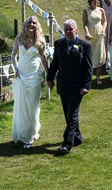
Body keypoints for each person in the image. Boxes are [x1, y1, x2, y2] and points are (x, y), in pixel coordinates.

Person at [46, 19, 92, 155]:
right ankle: (77, 137)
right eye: (66, 29)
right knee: (68, 114)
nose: (68, 32)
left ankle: (67, 144)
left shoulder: (84, 46)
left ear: (76, 30)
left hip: (77, 87)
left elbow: (88, 68)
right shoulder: (59, 44)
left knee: (72, 115)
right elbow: (55, 64)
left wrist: (86, 86)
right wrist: (50, 79)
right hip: (63, 85)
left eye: (71, 29)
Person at [11, 16, 49, 148]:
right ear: (25, 24)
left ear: (37, 25)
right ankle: (22, 133)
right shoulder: (19, 38)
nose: (31, 25)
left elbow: (43, 59)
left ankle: (30, 135)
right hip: (21, 76)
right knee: (21, 106)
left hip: (34, 77)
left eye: (34, 23)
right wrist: (15, 69)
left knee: (32, 107)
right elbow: (13, 56)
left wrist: (48, 75)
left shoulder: (41, 41)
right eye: (29, 22)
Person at [82, 0, 107, 85]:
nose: (96, 1)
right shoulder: (86, 10)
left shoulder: (101, 10)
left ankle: (98, 77)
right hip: (91, 36)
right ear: (90, 1)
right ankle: (87, 77)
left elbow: (105, 21)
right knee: (89, 57)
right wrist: (87, 33)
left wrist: (103, 29)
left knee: (99, 57)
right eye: (94, 0)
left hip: (99, 35)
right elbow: (84, 23)